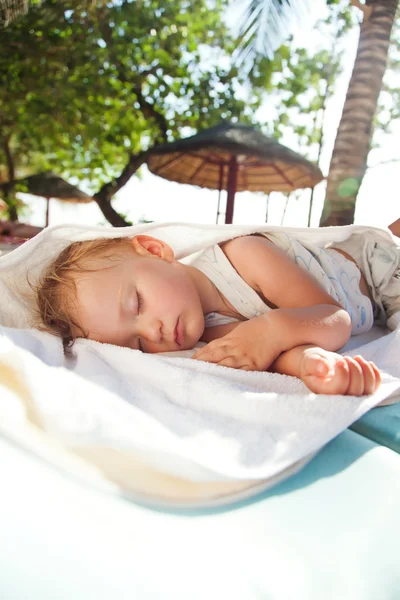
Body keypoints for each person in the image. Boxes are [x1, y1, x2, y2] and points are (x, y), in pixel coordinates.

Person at [35, 223, 400, 396]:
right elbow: (273, 354)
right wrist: (313, 365)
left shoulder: (244, 255)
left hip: (375, 269)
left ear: (154, 249)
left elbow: (333, 318)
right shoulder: (205, 335)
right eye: (137, 345)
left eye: (138, 303)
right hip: (378, 307)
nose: (152, 332)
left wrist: (270, 330)